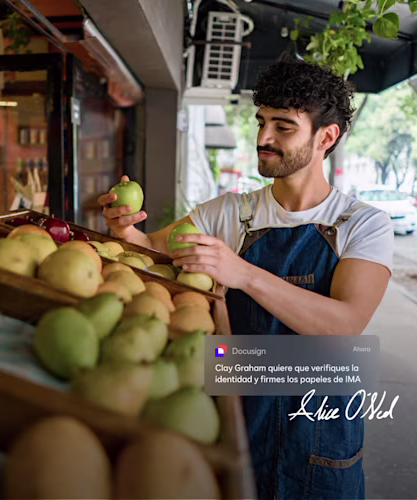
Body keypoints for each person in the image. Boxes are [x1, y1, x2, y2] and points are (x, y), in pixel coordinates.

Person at [98, 60, 394, 500]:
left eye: (283, 127)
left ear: (325, 138)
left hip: (320, 434)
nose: (262, 139)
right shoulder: (228, 213)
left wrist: (242, 275)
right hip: (237, 417)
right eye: (260, 122)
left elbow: (343, 328)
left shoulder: (363, 224)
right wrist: (125, 230)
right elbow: (150, 250)